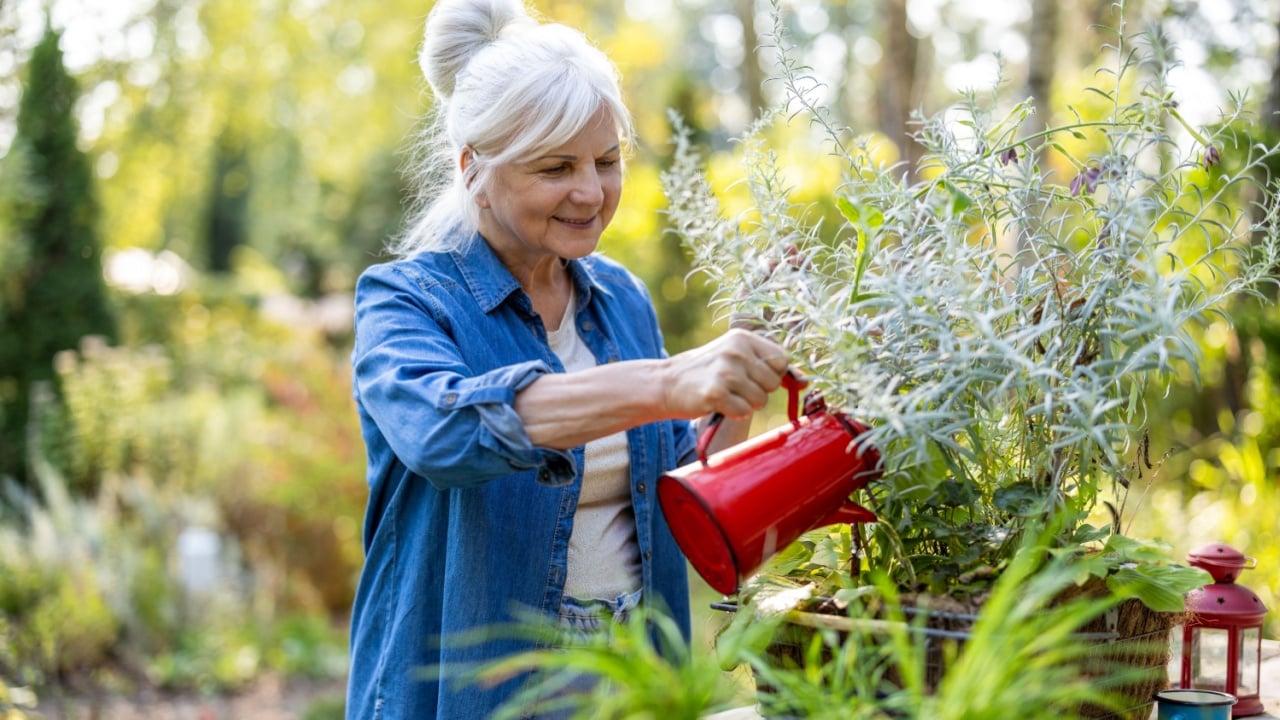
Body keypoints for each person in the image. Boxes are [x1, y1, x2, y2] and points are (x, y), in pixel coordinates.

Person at [345, 0, 790, 716]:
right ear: (473, 169)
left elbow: (675, 488)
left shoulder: (620, 299)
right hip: (477, 696)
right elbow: (447, 433)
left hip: (633, 685)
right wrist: (670, 380)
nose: (591, 192)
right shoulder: (405, 303)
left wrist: (741, 371)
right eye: (556, 167)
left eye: (607, 161)